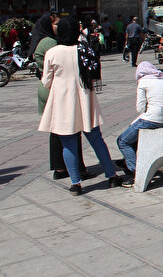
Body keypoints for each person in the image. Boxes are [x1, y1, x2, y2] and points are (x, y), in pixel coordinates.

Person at [38, 17, 123, 194]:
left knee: (68, 143)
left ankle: (75, 183)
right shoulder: (86, 49)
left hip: (63, 102)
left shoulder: (53, 53)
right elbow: (94, 75)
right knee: (97, 140)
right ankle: (112, 176)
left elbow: (46, 82)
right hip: (86, 99)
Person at [33, 13, 93, 181]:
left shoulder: (45, 41)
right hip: (58, 90)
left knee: (58, 130)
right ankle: (75, 169)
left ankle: (61, 168)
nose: (60, 27)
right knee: (72, 130)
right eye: (57, 24)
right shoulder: (53, 44)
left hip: (51, 88)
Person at [116, 61, 163, 187]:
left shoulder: (143, 81)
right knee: (134, 135)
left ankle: (135, 173)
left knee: (123, 141)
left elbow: (140, 109)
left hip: (152, 120)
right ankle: (129, 162)